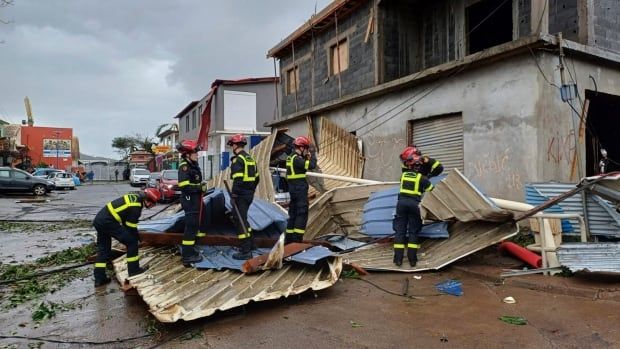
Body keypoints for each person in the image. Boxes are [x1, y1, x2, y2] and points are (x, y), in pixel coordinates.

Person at [93, 188, 161, 287]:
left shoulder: (134, 198)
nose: (152, 206)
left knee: (103, 250)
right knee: (132, 243)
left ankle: (99, 279)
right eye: (153, 203)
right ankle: (134, 270)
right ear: (147, 200)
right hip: (108, 222)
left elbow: (126, 222)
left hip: (99, 221)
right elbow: (130, 227)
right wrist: (137, 238)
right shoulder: (136, 206)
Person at [393, 147, 434, 267]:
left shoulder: (403, 176)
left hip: (401, 204)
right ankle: (412, 260)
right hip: (414, 205)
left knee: (400, 232)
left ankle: (398, 260)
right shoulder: (422, 178)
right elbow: (431, 190)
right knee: (413, 232)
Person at [228, 134, 259, 260]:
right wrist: (250, 190)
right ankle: (251, 244)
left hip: (240, 195)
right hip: (248, 194)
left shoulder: (238, 160)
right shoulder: (250, 159)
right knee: (244, 219)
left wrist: (234, 194)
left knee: (239, 220)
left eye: (232, 145)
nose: (232, 148)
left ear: (235, 145)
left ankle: (245, 250)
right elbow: (257, 178)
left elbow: (238, 179)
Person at [176, 139, 205, 266]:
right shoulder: (185, 166)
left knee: (194, 226)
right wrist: (199, 188)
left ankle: (191, 250)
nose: (197, 155)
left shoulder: (193, 165)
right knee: (191, 226)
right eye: (195, 153)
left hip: (195, 199)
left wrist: (200, 186)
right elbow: (184, 186)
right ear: (187, 154)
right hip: (189, 200)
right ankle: (187, 255)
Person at [285, 136, 317, 244]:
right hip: (299, 190)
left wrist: (306, 157)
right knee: (302, 214)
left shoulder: (291, 157)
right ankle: (297, 241)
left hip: (293, 190)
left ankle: (288, 241)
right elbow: (312, 165)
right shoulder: (297, 159)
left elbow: (301, 167)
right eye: (306, 149)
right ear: (302, 148)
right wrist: (312, 154)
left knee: (293, 214)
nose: (307, 151)